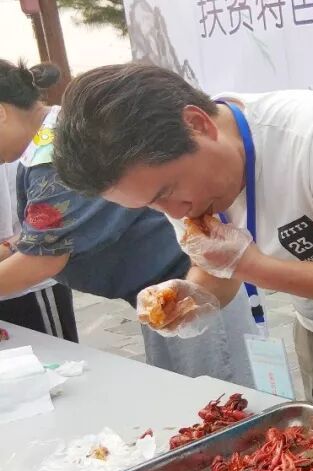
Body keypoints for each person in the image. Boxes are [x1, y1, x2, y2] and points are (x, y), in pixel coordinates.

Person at [52, 65, 313, 449]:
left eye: (166, 192)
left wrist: (251, 266)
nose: (174, 213)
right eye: (150, 205)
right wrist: (189, 296)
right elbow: (217, 271)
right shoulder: (178, 182)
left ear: (198, 124)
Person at [0, 59, 255, 383]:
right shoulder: (51, 142)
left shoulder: (56, 152)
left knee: (219, 396)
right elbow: (42, 234)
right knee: (185, 392)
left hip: (196, 290)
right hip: (165, 296)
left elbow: (42, 259)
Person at [0, 160, 77, 340]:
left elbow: (46, 254)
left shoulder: (41, 160)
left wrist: (9, 246)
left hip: (27, 280)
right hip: (24, 263)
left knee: (54, 354)